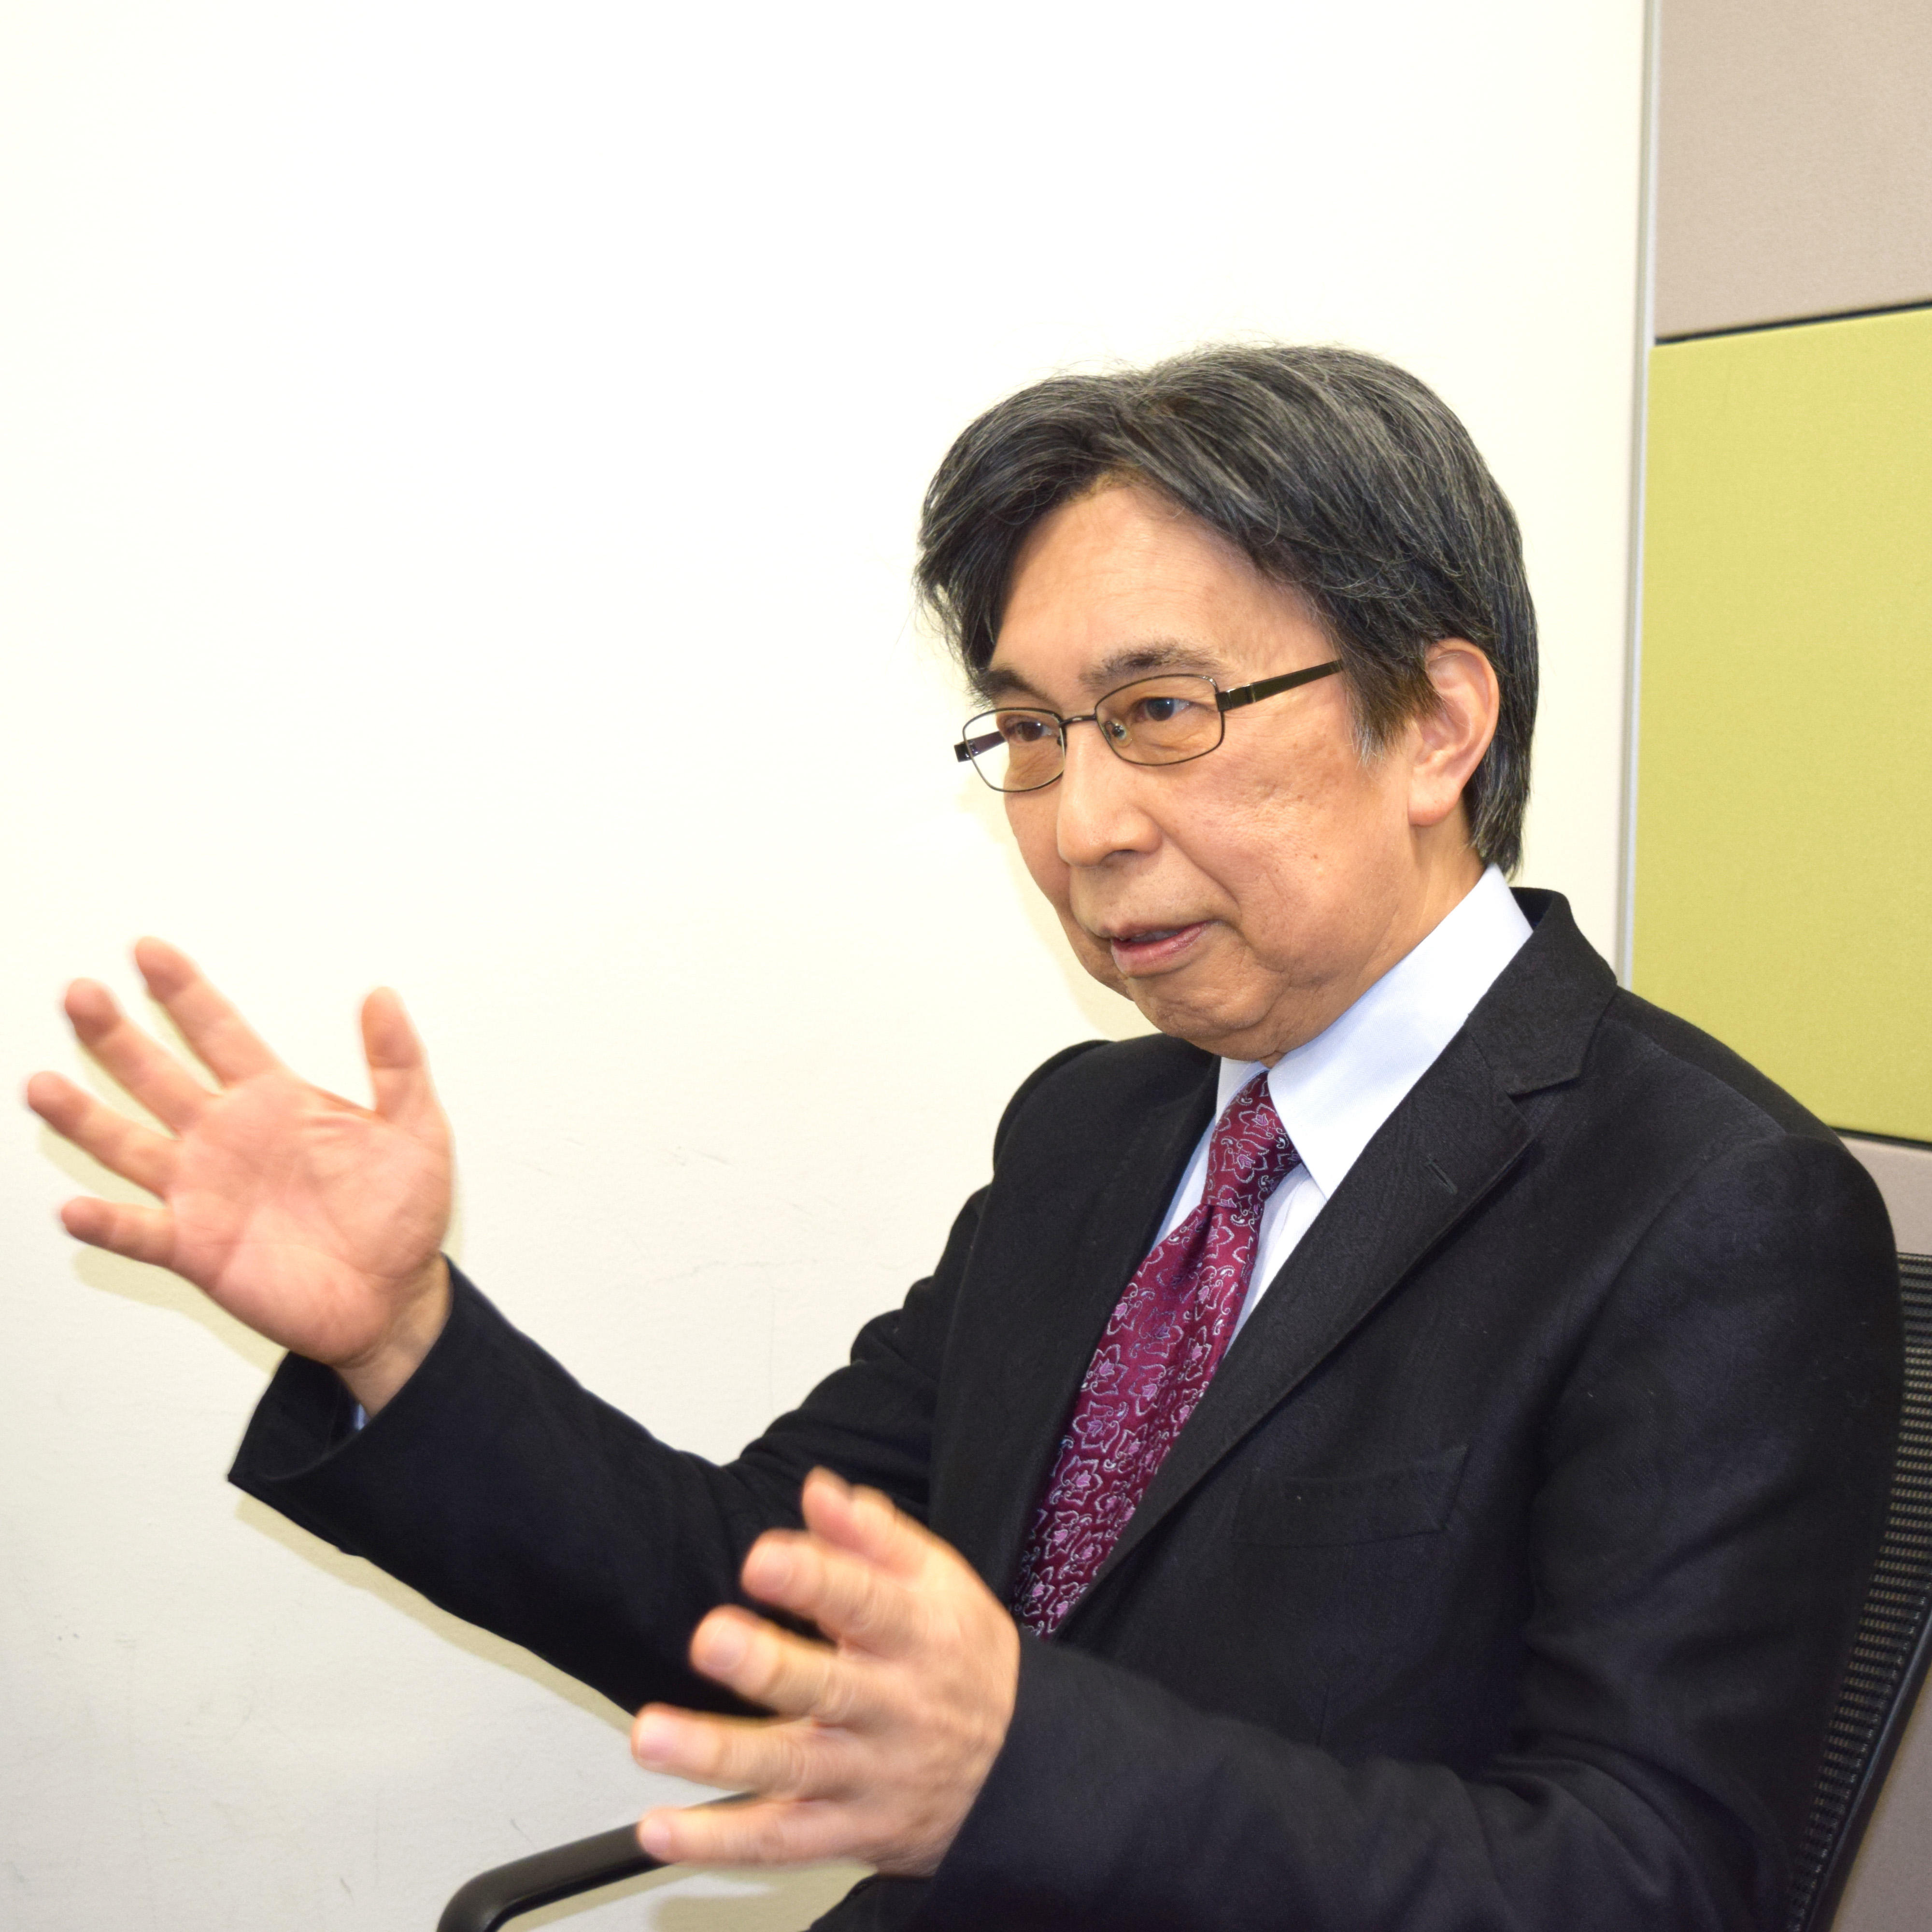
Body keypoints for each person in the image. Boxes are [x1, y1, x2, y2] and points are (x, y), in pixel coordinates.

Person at [28, 345, 1902, 1932]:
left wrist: (1022, 1764)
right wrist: (401, 1336)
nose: (1080, 823)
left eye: (1157, 711)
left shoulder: (1708, 1209)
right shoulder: (1095, 1131)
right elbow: (766, 1604)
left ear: (1435, 724)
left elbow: (1639, 1884)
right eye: (1029, 731)